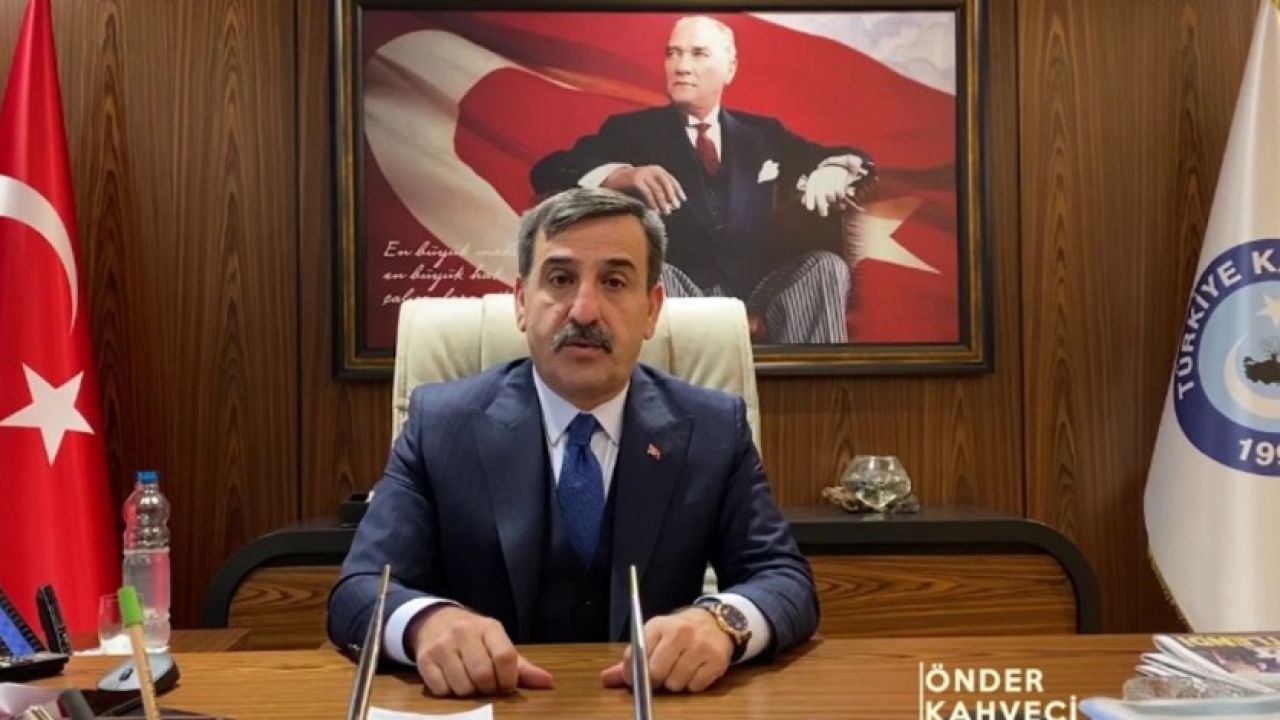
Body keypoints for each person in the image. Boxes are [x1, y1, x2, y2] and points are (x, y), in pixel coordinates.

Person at [327, 187, 818, 697]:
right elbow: (358, 590)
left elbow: (784, 579)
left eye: (614, 282)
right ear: (522, 302)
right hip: (491, 704)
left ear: (652, 310)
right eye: (560, 279)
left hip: (654, 703)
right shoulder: (439, 425)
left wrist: (722, 622)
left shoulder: (713, 428)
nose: (584, 311)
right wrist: (424, 622)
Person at [530, 15, 876, 344]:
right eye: (673, 53)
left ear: (730, 68)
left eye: (698, 53)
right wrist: (622, 174)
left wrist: (831, 171)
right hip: (677, 288)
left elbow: (847, 157)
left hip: (756, 292)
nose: (681, 66)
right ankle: (674, 386)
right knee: (647, 272)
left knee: (826, 268)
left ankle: (810, 386)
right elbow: (550, 169)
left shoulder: (762, 134)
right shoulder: (631, 130)